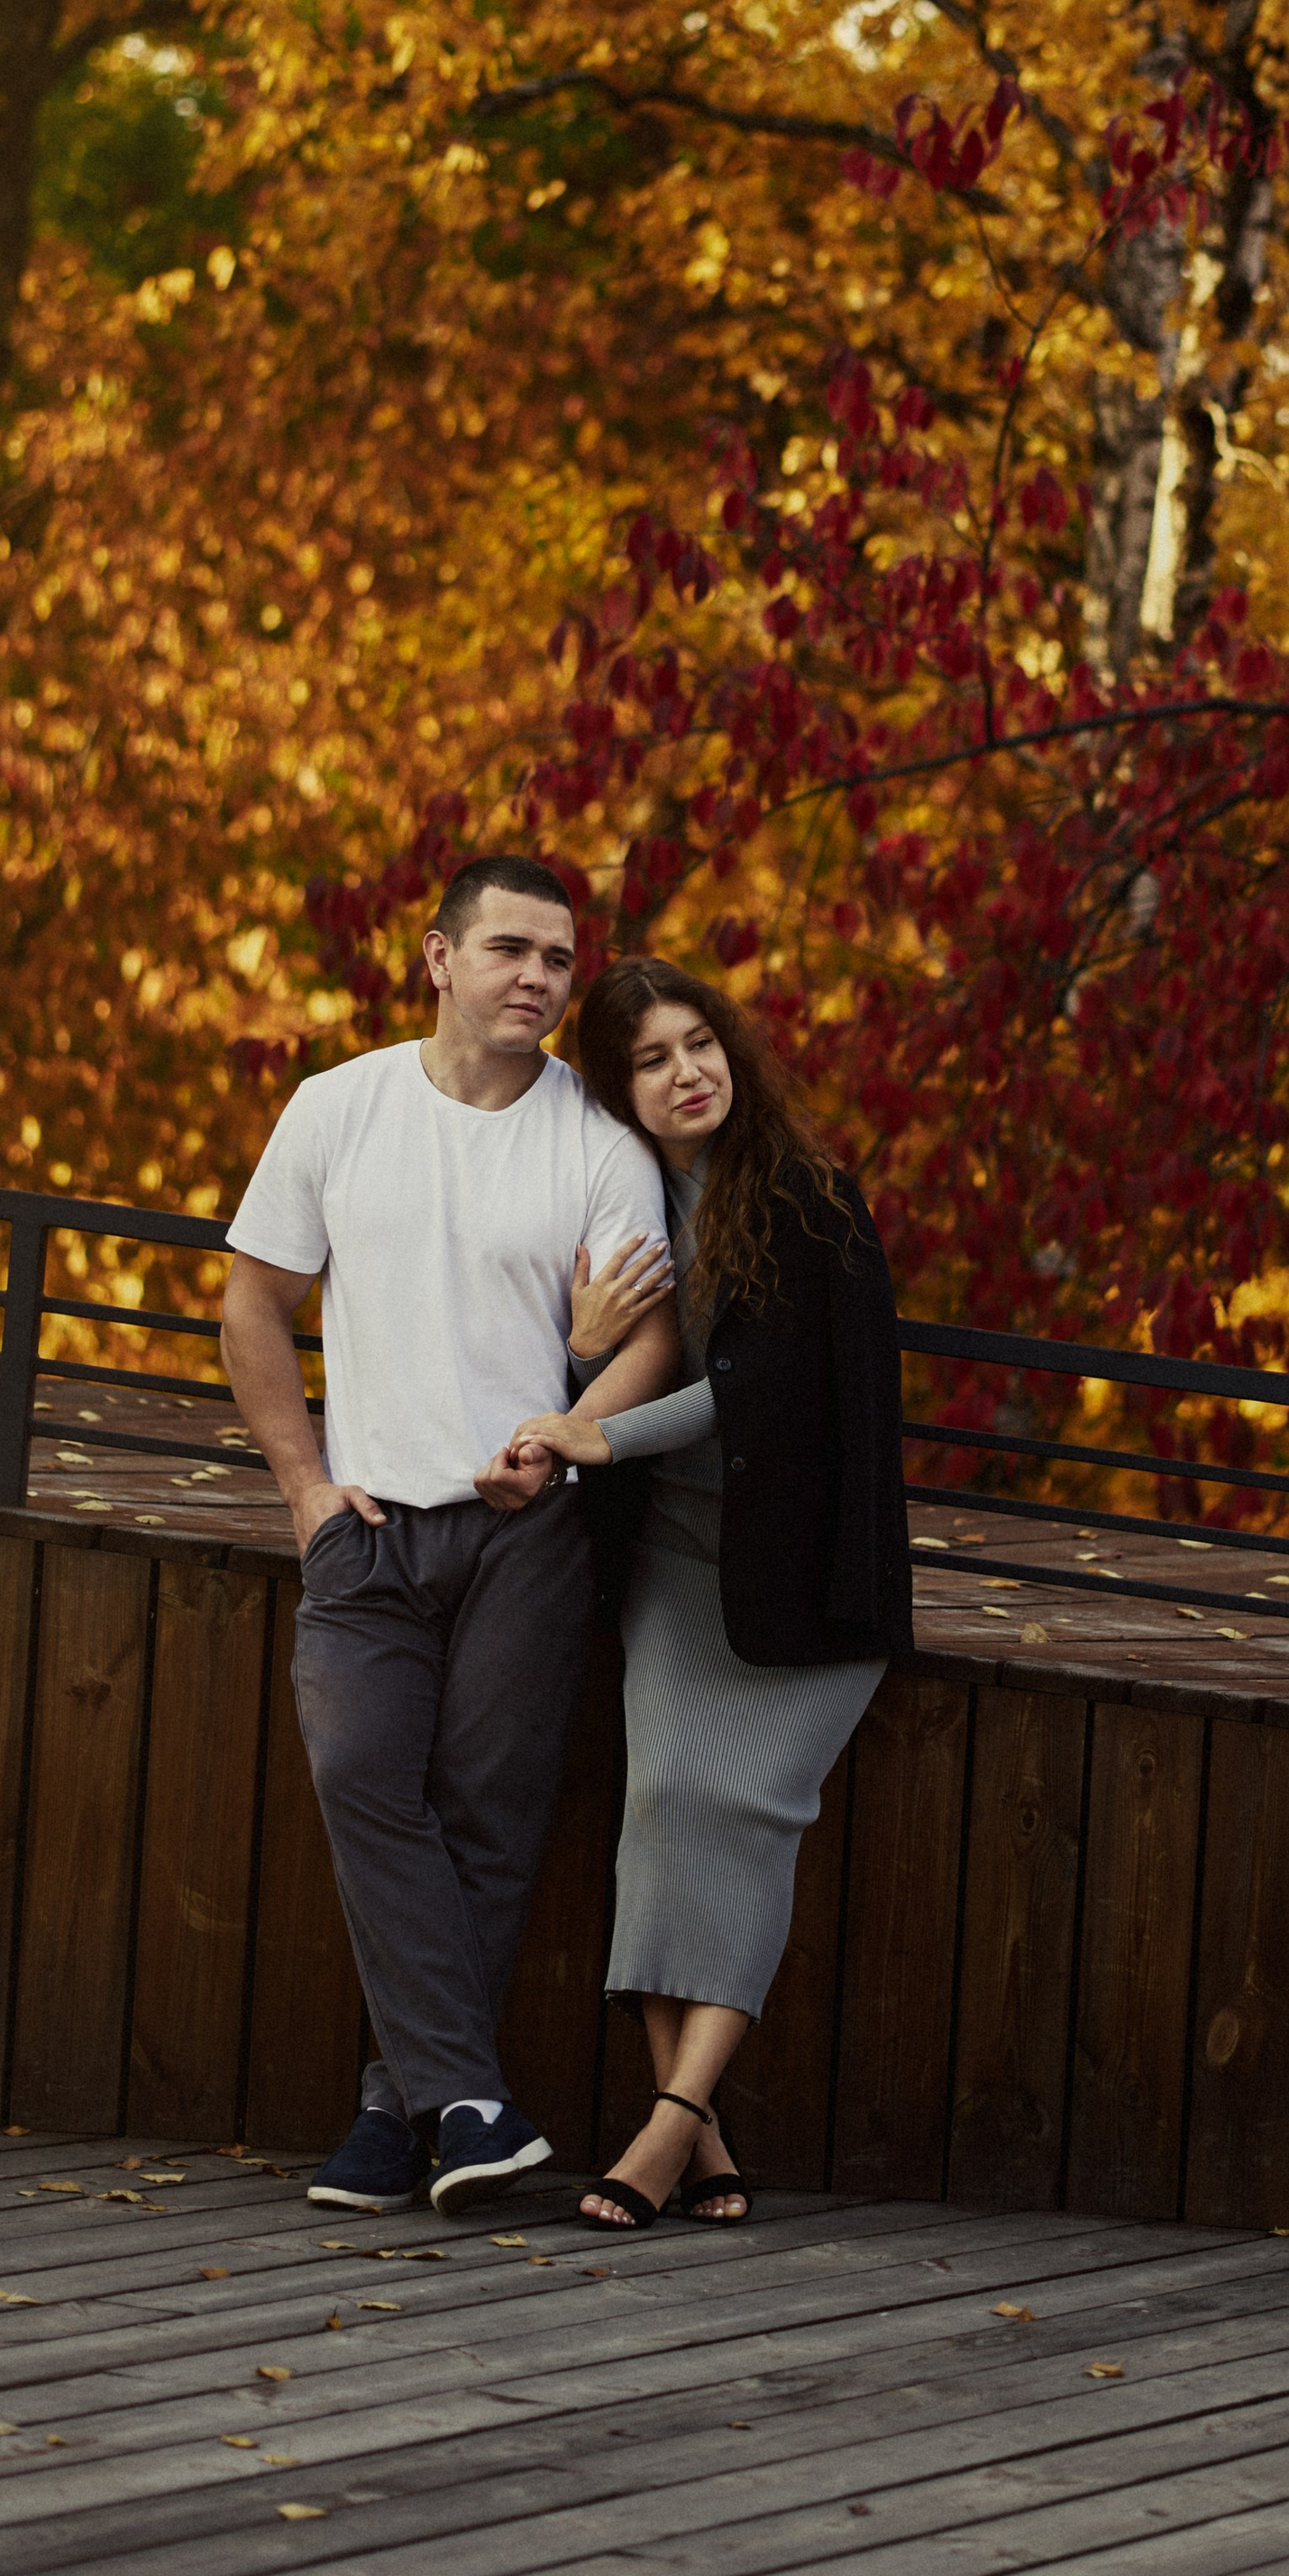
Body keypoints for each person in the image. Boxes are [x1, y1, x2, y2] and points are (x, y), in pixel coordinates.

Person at [219, 857, 678, 2216]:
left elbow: (648, 1337)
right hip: (363, 1524)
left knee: (488, 1818)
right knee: (362, 1768)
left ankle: (396, 2117)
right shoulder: (337, 1107)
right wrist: (303, 1486)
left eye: (558, 957)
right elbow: (254, 1307)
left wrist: (563, 1424)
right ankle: (463, 2100)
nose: (539, 977)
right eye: (511, 949)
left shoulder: (599, 1141)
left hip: (529, 1530)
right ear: (438, 955)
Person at [479, 956, 913, 2231]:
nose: (689, 1072)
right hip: (675, 1568)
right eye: (654, 1061)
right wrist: (577, 1349)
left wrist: (592, 1435)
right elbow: (553, 1357)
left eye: (701, 1043)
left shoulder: (804, 1197)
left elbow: (768, 1387)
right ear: (619, 1095)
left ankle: (667, 2126)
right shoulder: (615, 1209)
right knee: (664, 1803)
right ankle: (703, 2126)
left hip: (809, 1576)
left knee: (750, 1808)